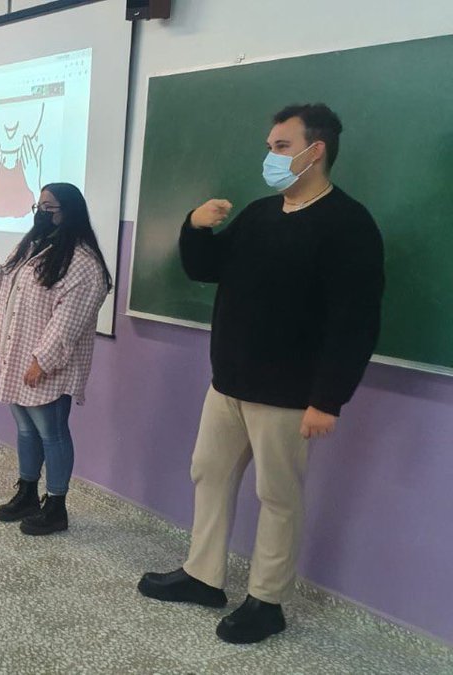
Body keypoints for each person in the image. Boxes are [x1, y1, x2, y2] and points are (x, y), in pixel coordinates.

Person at [138, 104, 384, 644]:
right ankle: (204, 577)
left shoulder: (349, 224)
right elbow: (206, 269)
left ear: (314, 151)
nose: (268, 158)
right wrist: (195, 228)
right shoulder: (259, 213)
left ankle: (266, 601)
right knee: (208, 473)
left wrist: (328, 400)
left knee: (278, 496)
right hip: (228, 382)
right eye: (270, 146)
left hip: (289, 395)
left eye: (280, 147)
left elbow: (356, 322)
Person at [0, 182, 112, 536]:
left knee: (52, 433)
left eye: (49, 207)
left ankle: (56, 505)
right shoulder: (32, 246)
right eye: (39, 205)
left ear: (70, 211)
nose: (41, 212)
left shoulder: (84, 263)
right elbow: (1, 288)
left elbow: (69, 321)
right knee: (25, 428)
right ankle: (27, 493)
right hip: (15, 356)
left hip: (45, 365)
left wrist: (42, 361)